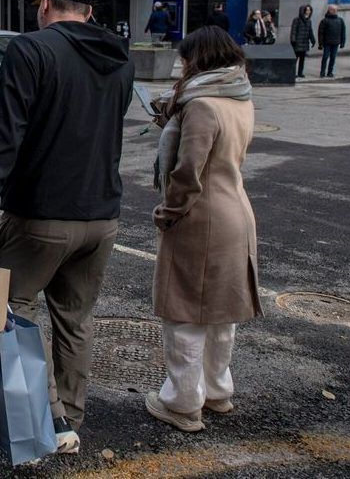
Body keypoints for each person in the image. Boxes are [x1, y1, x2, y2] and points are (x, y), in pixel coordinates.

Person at [0, 0, 135, 455]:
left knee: (14, 310)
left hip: (42, 215)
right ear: (90, 12)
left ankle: (45, 418)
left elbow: (4, 131)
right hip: (102, 215)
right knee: (75, 318)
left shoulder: (30, 50)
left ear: (44, 5)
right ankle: (69, 419)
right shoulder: (120, 60)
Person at [146, 25, 259, 433]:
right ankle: (217, 391)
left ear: (200, 58)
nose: (182, 64)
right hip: (236, 212)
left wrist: (169, 211)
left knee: (185, 313)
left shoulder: (201, 106)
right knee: (219, 314)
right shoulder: (240, 97)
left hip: (202, 217)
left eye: (186, 57)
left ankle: (183, 402)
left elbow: (188, 170)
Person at [317, 4, 346, 78]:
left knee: (333, 58)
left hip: (336, 43)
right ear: (329, 10)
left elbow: (343, 32)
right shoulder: (324, 21)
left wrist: (343, 42)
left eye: (336, 10)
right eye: (334, 10)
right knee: (325, 57)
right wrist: (320, 44)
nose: (335, 11)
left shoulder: (340, 20)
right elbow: (320, 33)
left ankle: (330, 72)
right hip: (327, 43)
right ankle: (322, 72)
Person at [289, 4, 315, 78]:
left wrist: (313, 40)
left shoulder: (309, 21)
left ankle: (300, 72)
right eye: (307, 10)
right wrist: (293, 40)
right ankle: (293, 73)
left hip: (304, 43)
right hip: (297, 42)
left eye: (309, 10)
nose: (308, 12)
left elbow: (310, 31)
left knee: (302, 59)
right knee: (295, 59)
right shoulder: (297, 20)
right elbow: (293, 31)